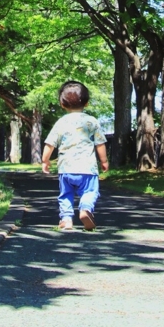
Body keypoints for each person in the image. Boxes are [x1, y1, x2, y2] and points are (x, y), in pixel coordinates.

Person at [42, 80, 109, 230]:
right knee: (90, 191)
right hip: (88, 169)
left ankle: (66, 219)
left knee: (66, 194)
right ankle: (85, 209)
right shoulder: (91, 121)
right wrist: (104, 161)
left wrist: (45, 161)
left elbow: (50, 144)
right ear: (86, 103)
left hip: (66, 169)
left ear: (62, 104)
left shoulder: (61, 122)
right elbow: (100, 143)